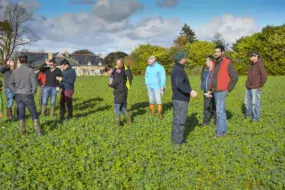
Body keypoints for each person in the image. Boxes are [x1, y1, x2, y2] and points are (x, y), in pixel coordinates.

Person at [205, 45, 238, 137]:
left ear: (222, 52)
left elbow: (235, 77)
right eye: (215, 51)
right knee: (220, 111)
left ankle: (220, 133)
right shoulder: (216, 63)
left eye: (218, 52)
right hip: (215, 91)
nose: (216, 53)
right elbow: (214, 78)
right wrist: (210, 90)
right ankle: (222, 132)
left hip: (221, 90)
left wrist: (228, 89)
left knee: (220, 112)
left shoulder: (228, 63)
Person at [9, 55, 43, 136]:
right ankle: (38, 131)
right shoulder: (30, 70)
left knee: (21, 114)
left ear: (20, 61)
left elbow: (10, 83)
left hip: (18, 95)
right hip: (28, 94)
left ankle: (23, 132)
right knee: (34, 113)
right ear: (27, 61)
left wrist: (15, 91)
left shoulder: (15, 71)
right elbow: (34, 83)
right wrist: (33, 92)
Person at [171, 52, 198, 145]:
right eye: (185, 57)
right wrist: (190, 91)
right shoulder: (179, 70)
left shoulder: (177, 68)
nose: (186, 59)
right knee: (180, 121)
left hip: (177, 98)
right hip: (180, 99)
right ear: (182, 59)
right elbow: (179, 84)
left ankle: (175, 140)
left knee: (177, 120)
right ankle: (177, 142)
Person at [245, 52, 267, 121]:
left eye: (251, 56)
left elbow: (264, 76)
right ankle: (248, 116)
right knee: (247, 102)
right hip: (248, 87)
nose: (250, 58)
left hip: (255, 87)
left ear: (256, 56)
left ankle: (255, 118)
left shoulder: (260, 64)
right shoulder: (252, 65)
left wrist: (261, 85)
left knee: (255, 103)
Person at [201, 55, 216, 126]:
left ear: (211, 61)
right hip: (206, 91)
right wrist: (203, 87)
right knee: (206, 107)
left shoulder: (216, 70)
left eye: (207, 60)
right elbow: (203, 78)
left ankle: (216, 121)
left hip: (214, 91)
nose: (205, 62)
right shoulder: (206, 69)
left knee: (215, 106)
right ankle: (206, 121)